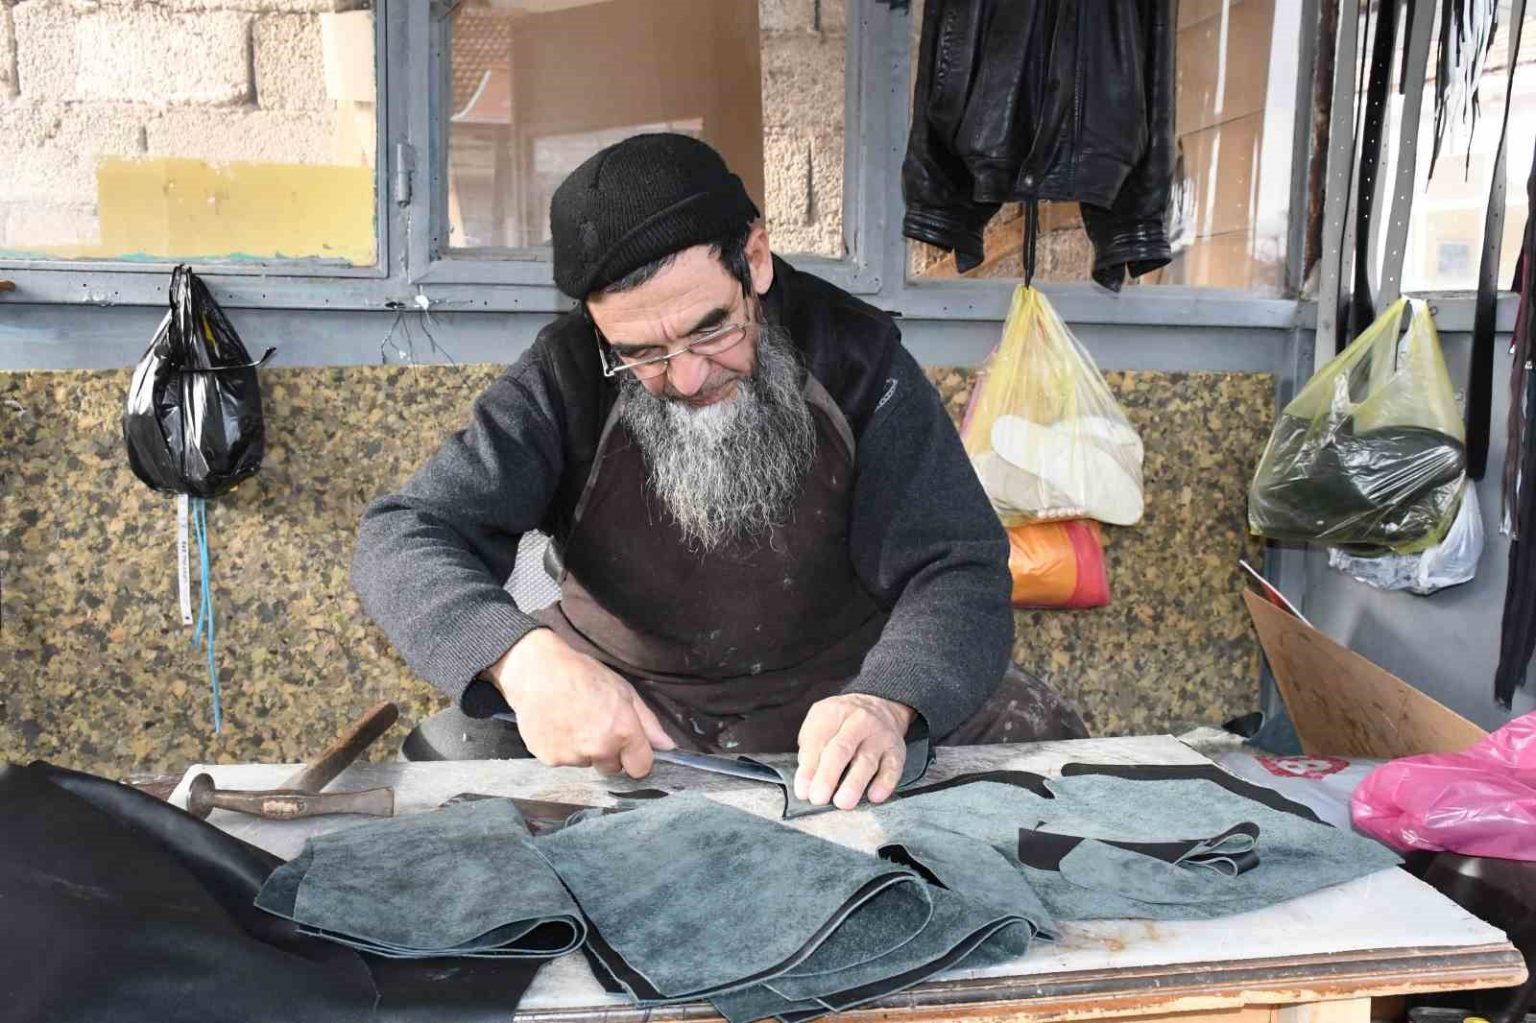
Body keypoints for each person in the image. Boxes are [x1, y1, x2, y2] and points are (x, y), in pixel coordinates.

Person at [352, 133, 1086, 811]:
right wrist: (520, 661)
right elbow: (404, 533)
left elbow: (956, 565)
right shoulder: (565, 374)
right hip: (625, 711)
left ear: (755, 259)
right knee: (440, 774)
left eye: (711, 328)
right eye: (641, 353)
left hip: (836, 701)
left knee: (1046, 747)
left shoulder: (858, 359)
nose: (688, 377)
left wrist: (888, 699)